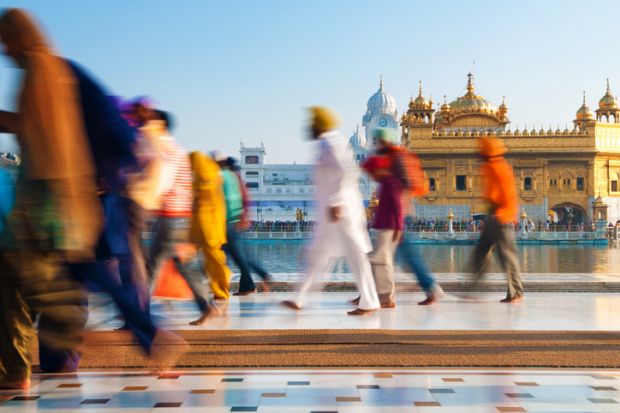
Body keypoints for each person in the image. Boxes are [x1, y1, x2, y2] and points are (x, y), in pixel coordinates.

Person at [0, 8, 102, 388]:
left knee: (18, 285)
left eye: (6, 39)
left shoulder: (40, 71)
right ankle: (26, 365)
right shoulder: (50, 69)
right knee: (24, 284)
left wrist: (30, 208)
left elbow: (43, 138)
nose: (3, 49)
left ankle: (22, 368)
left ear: (19, 36)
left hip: (41, 201)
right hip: (50, 201)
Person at [282, 107, 380, 315]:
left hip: (342, 211)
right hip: (331, 212)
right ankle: (299, 297)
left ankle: (370, 302)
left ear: (319, 125)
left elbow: (347, 171)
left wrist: (336, 202)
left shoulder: (331, 143)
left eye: (312, 124)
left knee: (356, 256)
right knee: (317, 254)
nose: (308, 128)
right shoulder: (326, 144)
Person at [146, 111, 219, 325]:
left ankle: (135, 313)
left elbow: (163, 183)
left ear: (160, 126)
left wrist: (147, 202)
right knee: (184, 265)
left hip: (169, 216)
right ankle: (206, 304)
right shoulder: (177, 150)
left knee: (152, 266)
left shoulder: (165, 150)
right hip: (180, 217)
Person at [361, 129, 443, 307]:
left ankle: (383, 294)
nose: (377, 145)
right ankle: (378, 292)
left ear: (386, 141)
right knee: (391, 257)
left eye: (379, 141)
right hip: (395, 214)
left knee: (390, 257)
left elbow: (401, 188)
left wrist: (399, 220)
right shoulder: (393, 157)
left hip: (397, 214)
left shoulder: (397, 158)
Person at [469, 136, 524, 303]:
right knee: (481, 253)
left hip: (501, 216)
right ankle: (474, 287)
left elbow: (508, 194)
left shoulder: (499, 167)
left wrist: (503, 214)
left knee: (506, 257)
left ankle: (516, 293)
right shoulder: (489, 166)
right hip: (493, 215)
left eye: (482, 150)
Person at [214, 153, 272, 295]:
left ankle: (248, 284)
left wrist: (242, 217)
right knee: (238, 256)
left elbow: (234, 201)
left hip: (230, 223)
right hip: (233, 222)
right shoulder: (234, 177)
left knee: (238, 257)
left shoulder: (228, 178)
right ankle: (248, 284)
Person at [189, 151, 232, 300]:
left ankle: (219, 291)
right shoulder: (215, 177)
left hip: (208, 228)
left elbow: (201, 206)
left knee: (212, 262)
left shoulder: (207, 177)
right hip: (214, 228)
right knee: (212, 262)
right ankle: (219, 291)